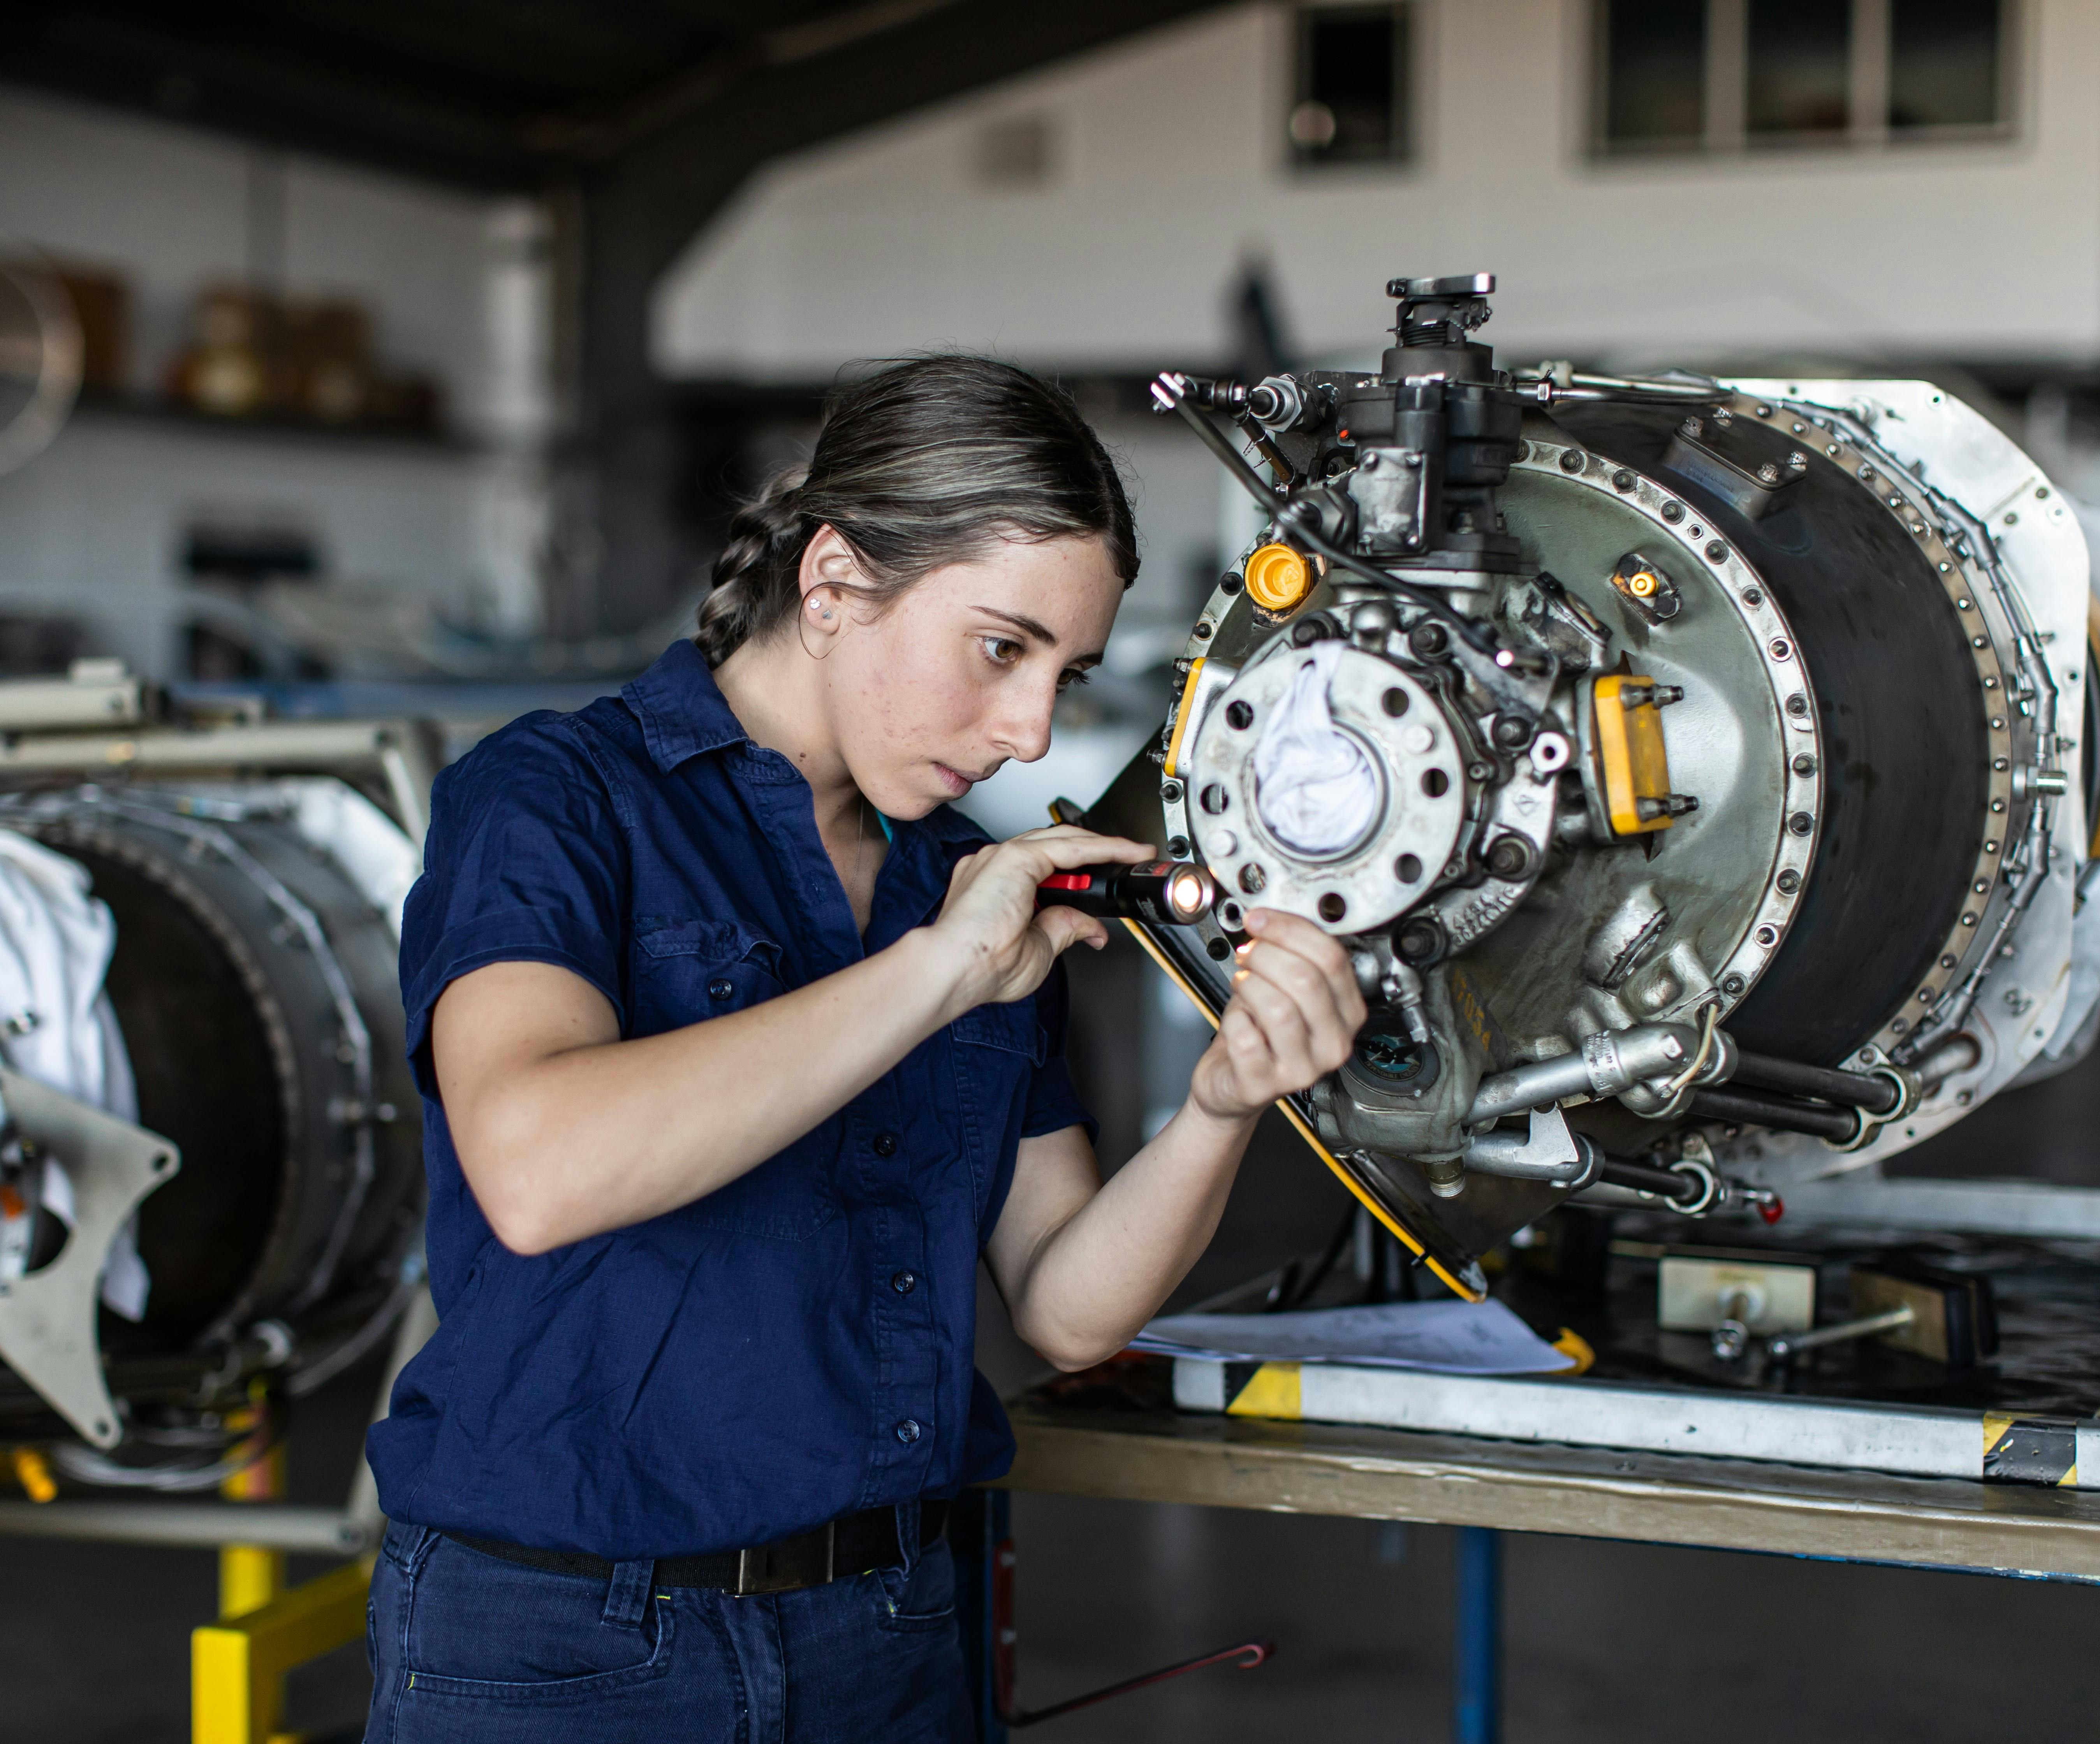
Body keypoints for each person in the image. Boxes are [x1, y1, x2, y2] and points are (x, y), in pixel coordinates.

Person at [361, 355, 1365, 1742]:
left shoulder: (965, 887)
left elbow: (1069, 1307)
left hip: (889, 1633)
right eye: (1001, 649)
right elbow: (539, 1167)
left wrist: (1220, 1105)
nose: (1031, 731)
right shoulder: (555, 800)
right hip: (567, 1644)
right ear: (832, 584)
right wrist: (938, 969)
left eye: (1064, 675)